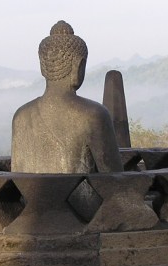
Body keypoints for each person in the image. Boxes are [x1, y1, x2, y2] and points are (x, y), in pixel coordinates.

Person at [11, 21, 123, 173]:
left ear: (43, 66)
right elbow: (115, 178)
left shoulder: (21, 116)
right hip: (81, 190)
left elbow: (17, 174)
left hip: (30, 190)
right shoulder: (93, 115)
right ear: (78, 66)